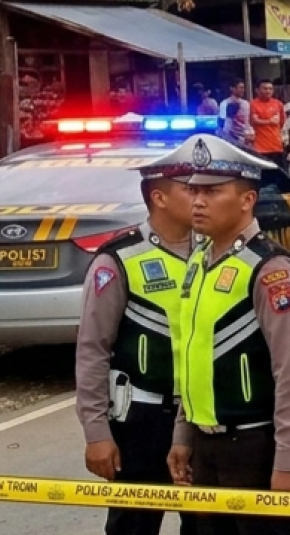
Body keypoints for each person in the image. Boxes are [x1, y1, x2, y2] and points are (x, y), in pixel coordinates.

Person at [163, 134, 290, 535]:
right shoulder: (198, 262)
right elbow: (190, 355)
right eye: (193, 190)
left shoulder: (270, 272)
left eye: (212, 191)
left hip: (256, 447)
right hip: (205, 446)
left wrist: (288, 463)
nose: (197, 201)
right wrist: (184, 433)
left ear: (247, 200)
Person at [74, 158, 198, 535]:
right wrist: (96, 433)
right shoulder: (119, 260)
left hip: (201, 419)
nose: (200, 197)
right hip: (142, 420)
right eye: (190, 189)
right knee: (134, 526)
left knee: (207, 524)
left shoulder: (215, 252)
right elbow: (92, 349)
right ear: (159, 197)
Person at [249, 79, 287, 170]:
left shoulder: (278, 104)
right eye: (265, 88)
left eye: (270, 89)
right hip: (260, 148)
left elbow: (282, 122)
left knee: (280, 172)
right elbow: (253, 121)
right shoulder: (253, 104)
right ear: (257, 90)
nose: (268, 91)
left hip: (277, 146)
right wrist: (270, 121)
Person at [219, 80, 254, 148]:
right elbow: (223, 123)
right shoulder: (225, 103)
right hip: (231, 139)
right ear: (232, 88)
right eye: (240, 88)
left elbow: (247, 122)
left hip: (245, 139)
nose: (242, 90)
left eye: (243, 88)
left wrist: (250, 133)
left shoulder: (246, 103)